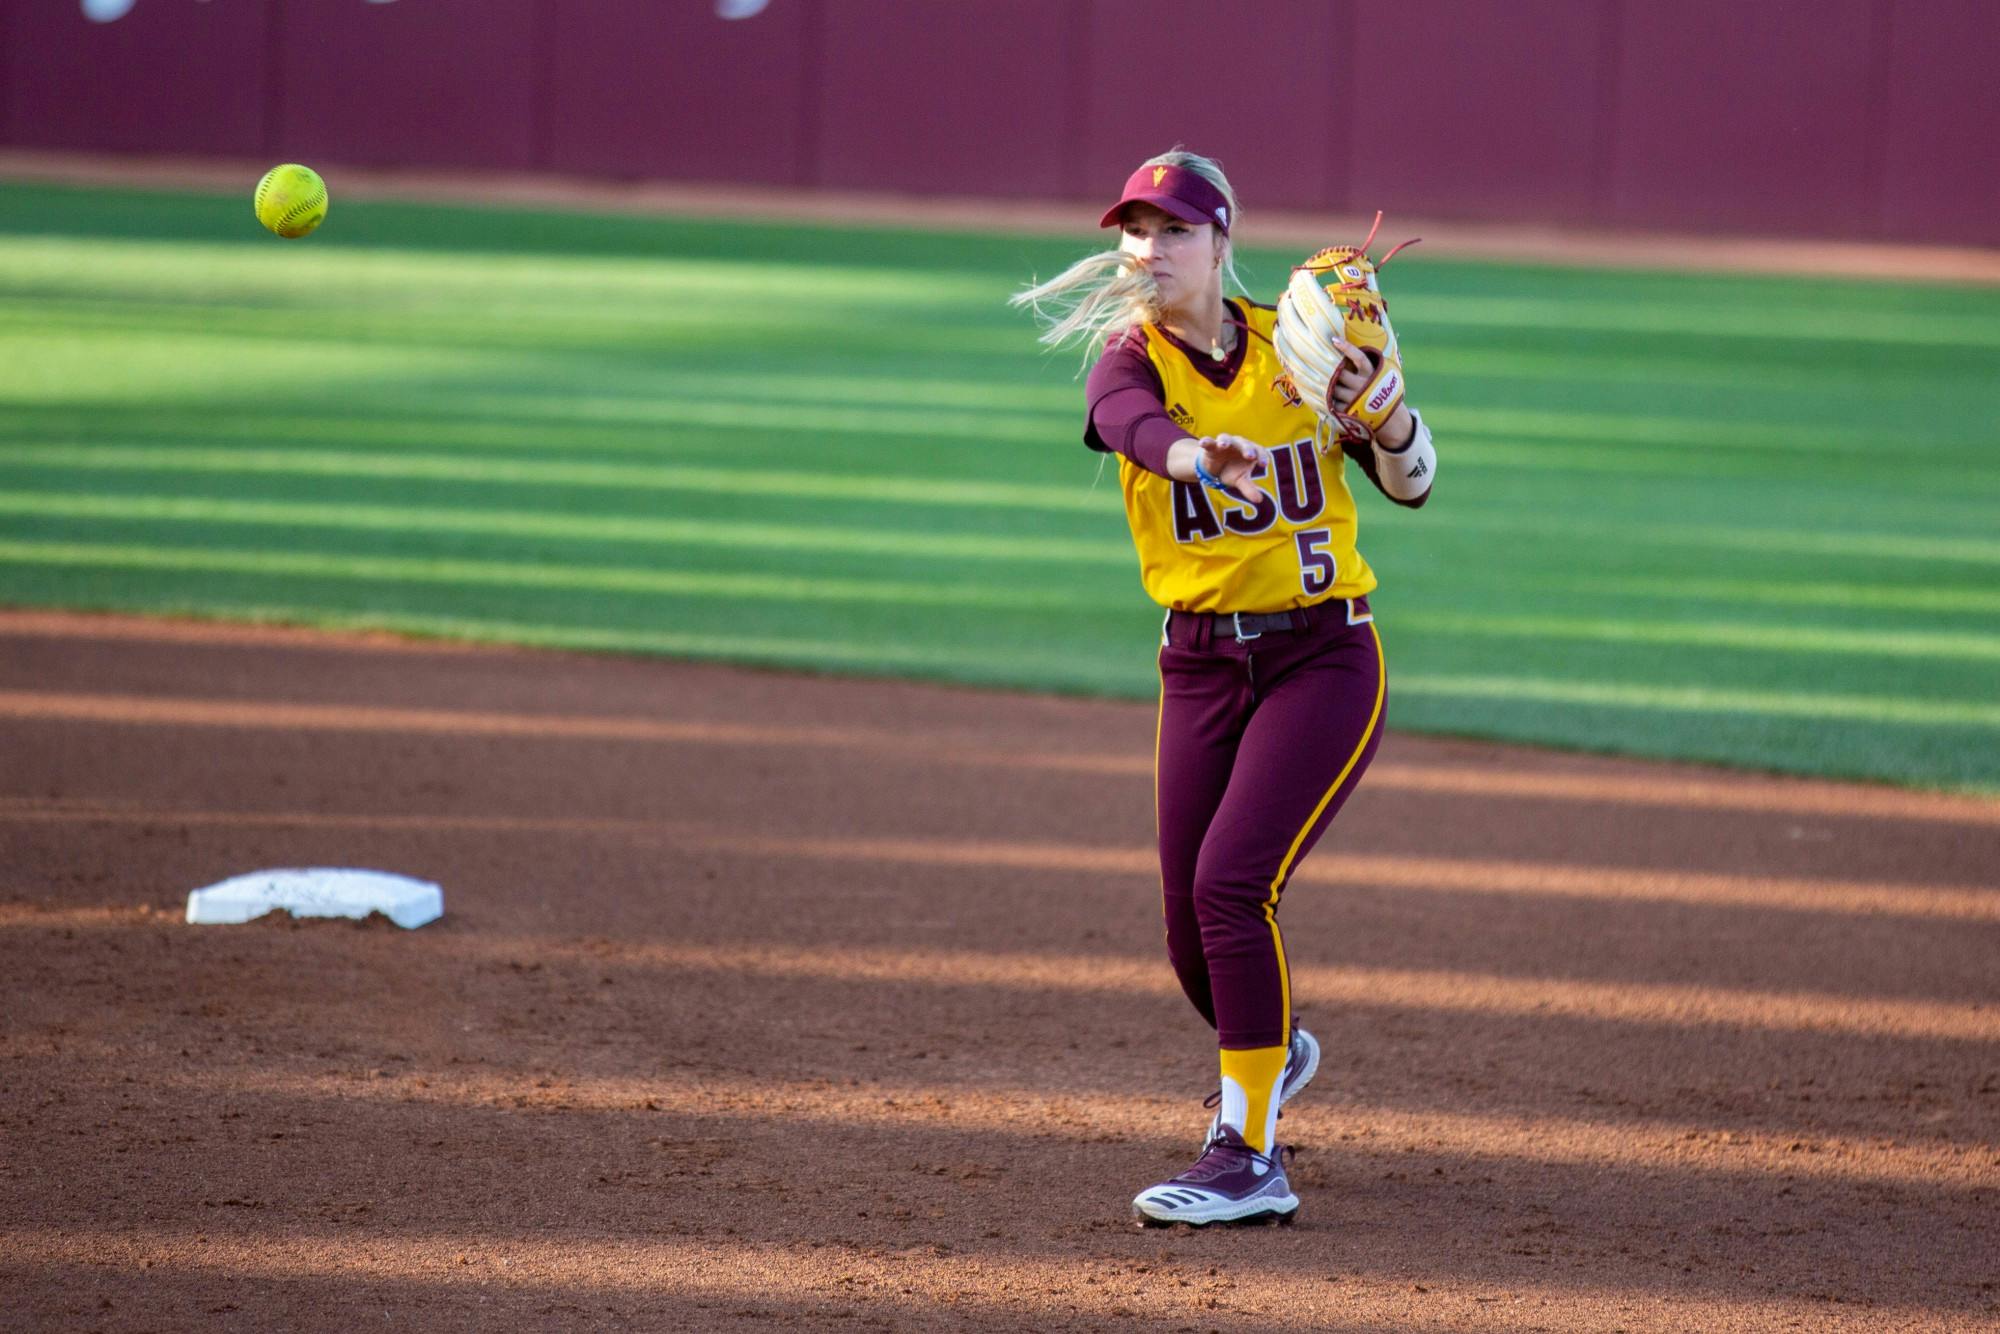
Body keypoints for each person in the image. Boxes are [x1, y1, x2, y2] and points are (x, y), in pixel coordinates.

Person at [1011, 149, 1437, 1227]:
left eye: (1170, 230)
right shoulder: (1128, 357)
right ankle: (1273, 1046)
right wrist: (1196, 457)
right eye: (1133, 230)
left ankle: (1247, 1151)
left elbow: (1412, 482)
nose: (1146, 250)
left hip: (1322, 656)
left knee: (1230, 885)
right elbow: (1126, 427)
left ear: (1219, 240)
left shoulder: (1297, 347)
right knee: (1187, 933)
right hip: (1198, 664)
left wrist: (1386, 418)